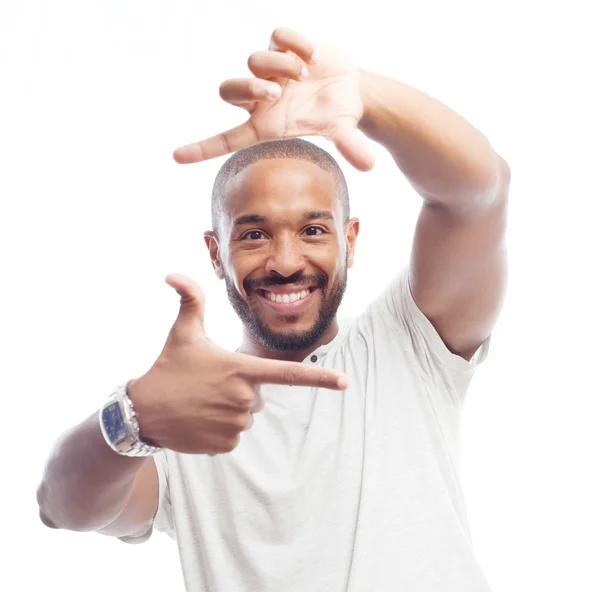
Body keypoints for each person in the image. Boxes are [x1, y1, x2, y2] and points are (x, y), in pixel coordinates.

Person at [37, 27, 510, 592]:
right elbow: (60, 508)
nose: (286, 262)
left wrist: (367, 96)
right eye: (255, 234)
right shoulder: (188, 410)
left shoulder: (410, 343)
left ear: (350, 240)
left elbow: (479, 192)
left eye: (313, 229)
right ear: (215, 253)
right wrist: (132, 418)